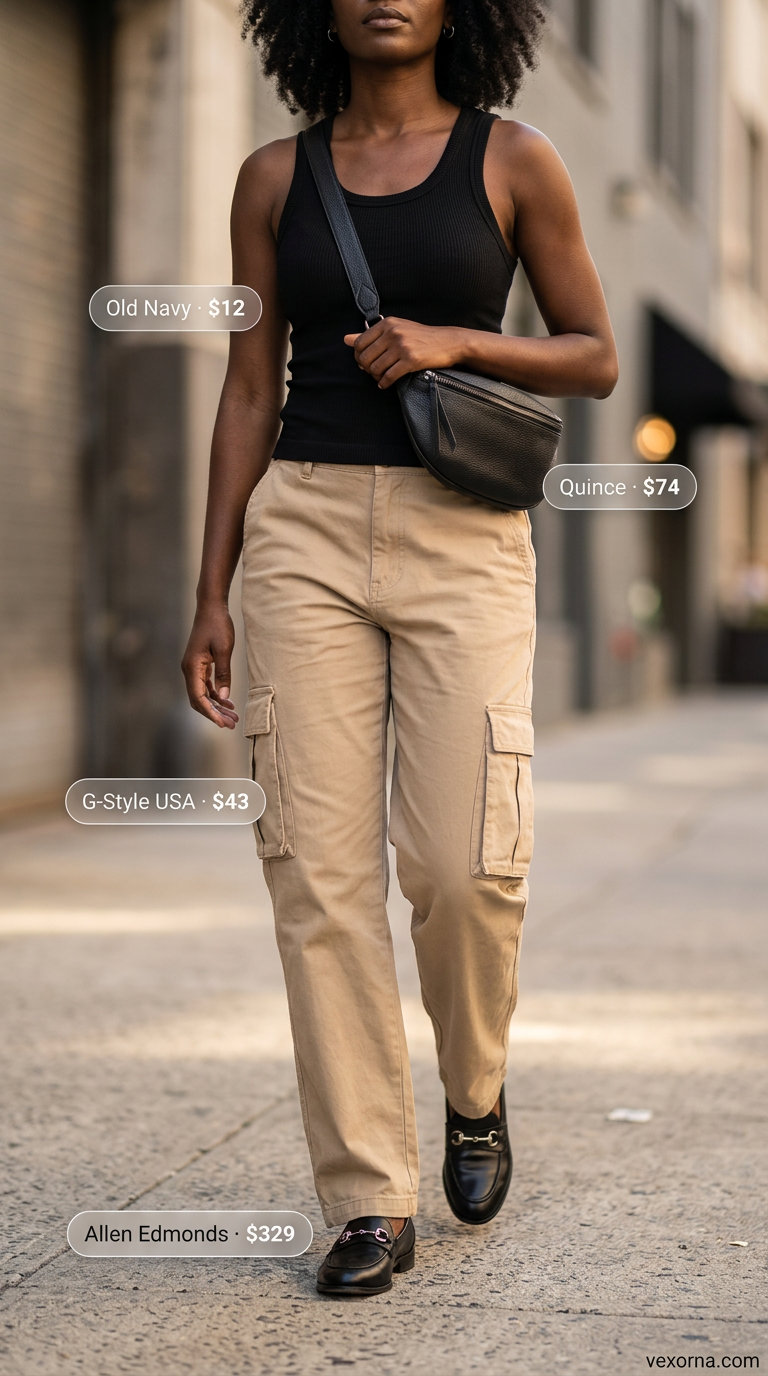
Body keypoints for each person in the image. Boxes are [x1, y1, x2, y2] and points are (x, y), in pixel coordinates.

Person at [181, 0, 618, 1298]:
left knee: (461, 861)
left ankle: (474, 1084)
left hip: (461, 536)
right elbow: (248, 385)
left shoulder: (514, 158)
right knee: (316, 876)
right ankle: (372, 1196)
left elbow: (594, 353)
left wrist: (455, 338)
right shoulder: (273, 178)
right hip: (301, 526)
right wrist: (209, 589)